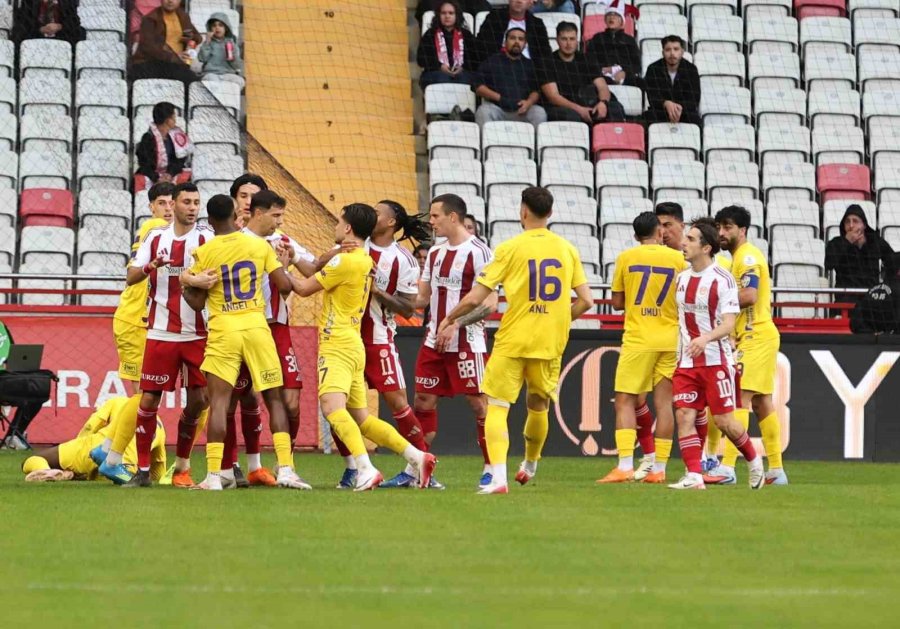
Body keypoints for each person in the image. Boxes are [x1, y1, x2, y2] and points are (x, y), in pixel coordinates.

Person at [441, 187, 593, 494]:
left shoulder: (510, 248)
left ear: (523, 211)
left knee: (497, 406)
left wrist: (450, 317)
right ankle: (530, 464)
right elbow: (587, 301)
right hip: (549, 341)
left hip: (513, 339)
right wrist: (559, 322)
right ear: (550, 214)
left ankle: (498, 478)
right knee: (538, 406)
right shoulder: (567, 249)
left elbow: (477, 296)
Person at [291, 203, 436, 491]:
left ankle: (367, 468)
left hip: (351, 340)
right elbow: (323, 265)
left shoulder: (371, 259)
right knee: (360, 417)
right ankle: (415, 457)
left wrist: (276, 265)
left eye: (380, 212)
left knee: (337, 408)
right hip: (356, 339)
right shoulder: (358, 254)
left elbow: (304, 288)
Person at [181, 195, 311, 491]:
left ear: (210, 221)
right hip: (256, 326)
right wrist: (285, 265)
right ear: (235, 215)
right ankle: (287, 470)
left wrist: (188, 282)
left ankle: (214, 476)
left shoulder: (205, 251)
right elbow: (284, 286)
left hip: (224, 329)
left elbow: (197, 301)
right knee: (274, 398)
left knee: (220, 403)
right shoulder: (259, 246)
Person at [103, 183, 213, 488]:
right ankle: (141, 470)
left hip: (197, 334)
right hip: (161, 332)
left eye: (196, 202)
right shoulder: (155, 236)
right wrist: (151, 266)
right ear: (174, 205)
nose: (192, 207)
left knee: (200, 400)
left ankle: (182, 467)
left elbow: (218, 274)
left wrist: (202, 280)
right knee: (149, 399)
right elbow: (131, 277)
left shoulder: (206, 238)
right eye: (186, 202)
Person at [333, 201, 435, 489]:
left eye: (378, 213)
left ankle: (421, 466)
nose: (372, 215)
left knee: (398, 404)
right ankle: (353, 468)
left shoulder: (403, 260)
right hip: (346, 336)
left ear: (391, 223)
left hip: (378, 339)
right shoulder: (354, 246)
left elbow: (407, 308)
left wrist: (376, 290)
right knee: (337, 409)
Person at [669, 217, 765, 490]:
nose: (684, 244)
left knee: (724, 422)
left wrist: (706, 338)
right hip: (687, 361)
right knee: (684, 415)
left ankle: (754, 461)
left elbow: (729, 323)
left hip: (717, 361)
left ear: (707, 247)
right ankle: (694, 476)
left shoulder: (723, 280)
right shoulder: (682, 279)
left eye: (690, 240)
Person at [414, 194, 497, 487]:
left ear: (452, 217)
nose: (431, 222)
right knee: (422, 401)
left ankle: (492, 469)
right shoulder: (435, 253)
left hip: (467, 342)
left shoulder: (480, 252)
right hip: (433, 339)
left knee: (479, 404)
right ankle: (419, 471)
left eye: (435, 216)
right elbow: (422, 298)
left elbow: (490, 303)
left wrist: (456, 323)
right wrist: (381, 292)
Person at [597, 212, 686, 484]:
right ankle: (659, 469)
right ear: (659, 232)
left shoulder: (626, 258)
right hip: (670, 338)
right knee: (664, 405)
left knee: (624, 400)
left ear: (636, 236)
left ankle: (625, 465)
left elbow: (617, 303)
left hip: (639, 338)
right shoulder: (679, 260)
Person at [706, 206, 788, 486]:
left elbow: (750, 295)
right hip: (757, 335)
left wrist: (715, 301)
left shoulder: (748, 256)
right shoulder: (736, 259)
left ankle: (727, 467)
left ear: (742, 230)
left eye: (728, 227)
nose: (721, 233)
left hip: (756, 336)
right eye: (719, 227)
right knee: (762, 402)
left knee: (737, 399)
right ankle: (776, 471)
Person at [112, 182, 175, 396]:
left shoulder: (174, 234)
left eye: (172, 203)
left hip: (155, 322)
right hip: (133, 320)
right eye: (162, 203)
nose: (168, 209)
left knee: (148, 393)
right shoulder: (154, 226)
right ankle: (133, 429)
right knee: (142, 393)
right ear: (151, 208)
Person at [22, 397, 166, 483]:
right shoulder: (159, 426)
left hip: (100, 447)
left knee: (33, 459)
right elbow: (158, 468)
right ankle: (75, 474)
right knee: (93, 475)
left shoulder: (116, 401)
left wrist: (78, 445)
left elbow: (91, 425)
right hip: (126, 469)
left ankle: (46, 470)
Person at [538, 21, 625, 124]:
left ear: (577, 40)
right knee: (572, 116)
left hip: (586, 101)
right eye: (564, 39)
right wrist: (579, 110)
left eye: (572, 39)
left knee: (615, 108)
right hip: (561, 107)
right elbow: (553, 96)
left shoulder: (586, 59)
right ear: (557, 40)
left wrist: (603, 103)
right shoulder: (547, 62)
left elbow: (602, 86)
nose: (568, 43)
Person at [825, 204, 896, 311]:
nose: (851, 225)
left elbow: (893, 261)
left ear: (864, 225)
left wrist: (885, 283)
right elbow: (829, 264)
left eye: (855, 221)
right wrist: (846, 242)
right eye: (847, 221)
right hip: (845, 301)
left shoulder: (875, 242)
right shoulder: (836, 243)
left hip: (871, 303)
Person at [474, 28, 547, 129]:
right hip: (497, 109)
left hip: (522, 111)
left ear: (525, 44)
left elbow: (536, 90)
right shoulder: (492, 61)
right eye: (513, 38)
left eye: (521, 39)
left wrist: (528, 103)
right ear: (505, 42)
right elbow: (478, 87)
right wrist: (499, 98)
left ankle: (532, 145)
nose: (517, 42)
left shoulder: (531, 65)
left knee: (539, 113)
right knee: (483, 111)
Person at [131, 0, 202, 84]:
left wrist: (189, 45)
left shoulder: (183, 16)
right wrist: (176, 56)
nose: (170, 1)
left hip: (175, 64)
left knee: (194, 83)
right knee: (189, 79)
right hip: (151, 63)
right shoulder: (150, 19)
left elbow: (196, 36)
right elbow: (150, 48)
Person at [135, 102, 194, 193]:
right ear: (167, 120)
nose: (175, 120)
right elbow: (144, 164)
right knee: (139, 180)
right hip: (152, 175)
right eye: (173, 117)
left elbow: (180, 160)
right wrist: (157, 178)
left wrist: (169, 174)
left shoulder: (177, 136)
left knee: (186, 177)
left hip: (171, 173)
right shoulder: (147, 138)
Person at [417, 1, 478, 89]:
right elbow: (421, 59)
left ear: (457, 15)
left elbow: (475, 59)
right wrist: (439, 66)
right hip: (435, 73)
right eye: (443, 13)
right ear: (438, 15)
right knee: (442, 78)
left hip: (462, 73)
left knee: (464, 79)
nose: (447, 16)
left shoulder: (466, 35)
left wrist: (462, 67)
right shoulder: (430, 34)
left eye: (451, 13)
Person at [644, 35, 701, 126]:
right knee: (647, 117)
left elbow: (694, 99)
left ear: (682, 52)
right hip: (661, 111)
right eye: (668, 50)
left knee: (695, 120)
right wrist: (665, 103)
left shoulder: (691, 69)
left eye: (676, 49)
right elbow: (652, 96)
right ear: (663, 52)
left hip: (684, 112)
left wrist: (678, 108)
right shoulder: (653, 69)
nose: (672, 53)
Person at [474, 0, 552, 66]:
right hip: (498, 68)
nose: (519, 1)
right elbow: (482, 47)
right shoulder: (494, 18)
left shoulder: (537, 24)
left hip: (529, 71)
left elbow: (545, 53)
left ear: (530, 2)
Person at [586, 4, 642, 88]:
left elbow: (636, 65)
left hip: (625, 77)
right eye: (609, 15)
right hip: (601, 76)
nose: (612, 17)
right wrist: (603, 70)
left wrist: (624, 72)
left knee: (641, 83)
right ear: (605, 19)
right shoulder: (597, 38)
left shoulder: (630, 40)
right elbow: (589, 59)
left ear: (622, 20)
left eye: (616, 15)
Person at [198, 12, 244, 88]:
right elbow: (202, 59)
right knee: (209, 79)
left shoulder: (231, 43)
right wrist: (207, 42)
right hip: (211, 74)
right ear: (210, 28)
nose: (217, 28)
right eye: (214, 26)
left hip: (227, 74)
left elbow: (237, 66)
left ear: (226, 28)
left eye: (220, 25)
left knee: (240, 81)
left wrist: (232, 56)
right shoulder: (208, 43)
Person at [12, 0, 84, 47]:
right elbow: (23, 20)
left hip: (61, 34)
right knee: (18, 31)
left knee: (80, 31)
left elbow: (74, 21)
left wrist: (59, 26)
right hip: (35, 33)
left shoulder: (67, 2)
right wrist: (41, 29)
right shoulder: (29, 2)